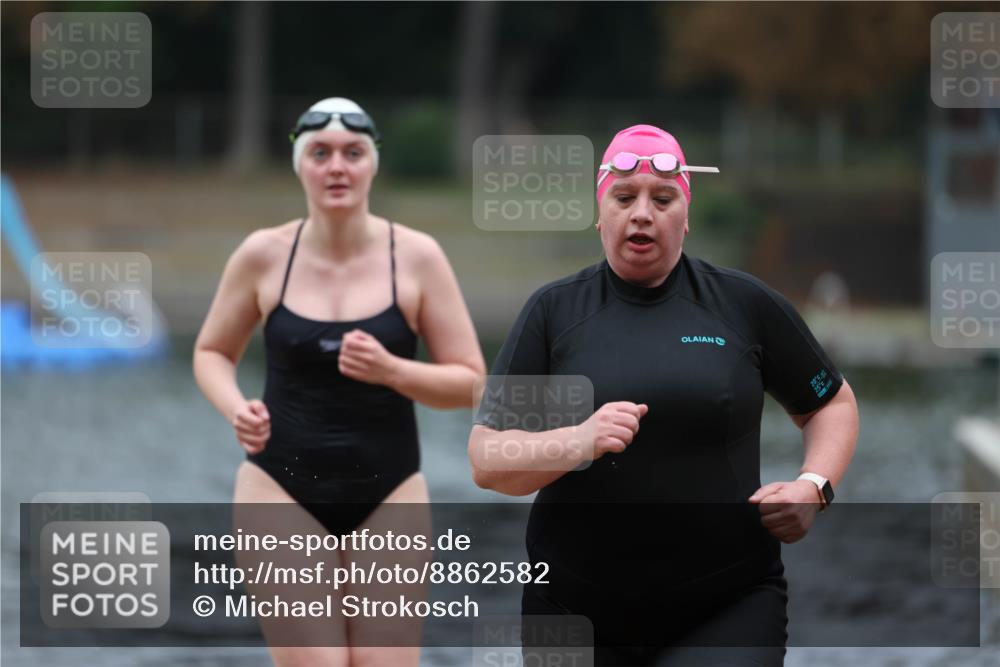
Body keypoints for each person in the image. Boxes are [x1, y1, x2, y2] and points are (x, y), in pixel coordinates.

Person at [468, 124, 859, 666]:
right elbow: (487, 459)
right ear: (599, 212)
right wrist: (577, 441)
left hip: (726, 604)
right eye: (624, 198)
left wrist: (814, 486)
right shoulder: (555, 312)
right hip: (573, 608)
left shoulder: (743, 305)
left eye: (663, 198)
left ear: (687, 214)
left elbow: (830, 403)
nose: (642, 213)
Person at [194, 97, 485, 667]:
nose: (337, 168)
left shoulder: (418, 257)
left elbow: (473, 382)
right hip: (279, 489)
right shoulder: (262, 254)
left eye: (353, 153)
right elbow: (210, 352)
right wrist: (235, 408)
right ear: (299, 164)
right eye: (320, 153)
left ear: (373, 163)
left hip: (391, 491)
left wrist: (394, 372)